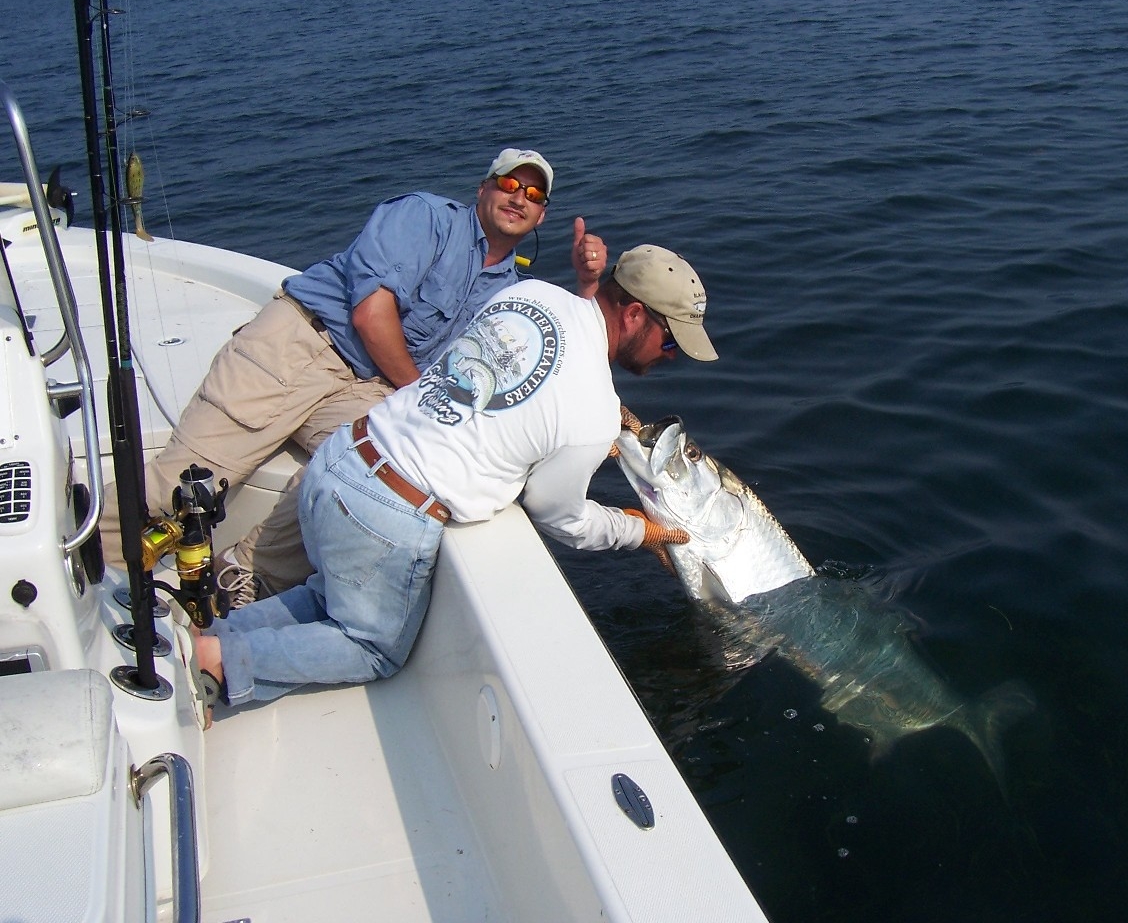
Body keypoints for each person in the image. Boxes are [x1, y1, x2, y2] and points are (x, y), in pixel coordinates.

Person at [192, 244, 716, 717]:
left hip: (343, 456)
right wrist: (634, 529)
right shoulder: (593, 414)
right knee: (373, 649)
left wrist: (592, 422)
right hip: (386, 514)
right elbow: (561, 518)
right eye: (670, 344)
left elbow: (505, 382)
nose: (668, 359)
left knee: (326, 596)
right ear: (634, 314)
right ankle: (224, 660)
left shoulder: (532, 293)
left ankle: (210, 636)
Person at [99, 148, 612, 601]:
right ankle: (86, 572)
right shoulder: (426, 217)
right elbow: (371, 314)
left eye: (534, 194)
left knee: (368, 474)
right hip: (302, 343)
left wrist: (587, 286)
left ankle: (243, 574)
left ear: (542, 215)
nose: (519, 197)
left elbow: (554, 351)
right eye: (509, 183)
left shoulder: (509, 288)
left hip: (369, 384)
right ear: (483, 187)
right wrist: (415, 394)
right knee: (183, 487)